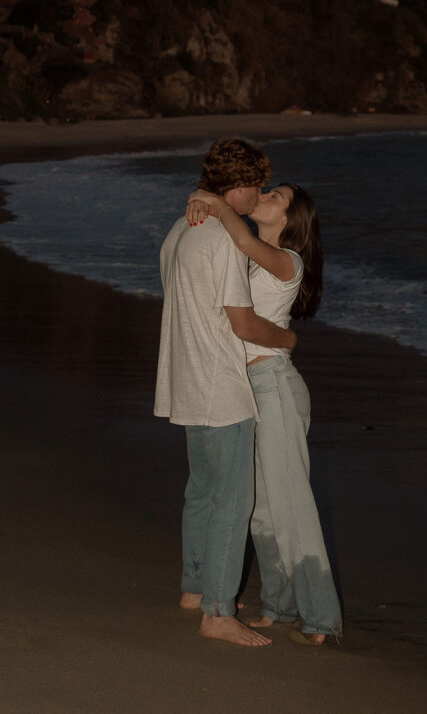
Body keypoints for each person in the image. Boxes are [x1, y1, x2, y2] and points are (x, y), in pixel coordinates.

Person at [154, 139, 297, 648]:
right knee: (232, 501)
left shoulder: (181, 229)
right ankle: (217, 612)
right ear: (240, 185)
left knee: (203, 491)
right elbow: (244, 324)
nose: (259, 193)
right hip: (220, 383)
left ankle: (195, 589)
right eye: (257, 184)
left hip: (186, 378)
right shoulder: (221, 240)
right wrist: (288, 338)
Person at [186, 181, 343, 645]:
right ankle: (278, 604)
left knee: (290, 504)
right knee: (261, 510)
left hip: (274, 385)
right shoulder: (251, 257)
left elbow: (242, 238)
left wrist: (212, 199)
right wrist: (202, 195)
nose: (266, 197)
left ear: (291, 221)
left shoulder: (287, 261)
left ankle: (320, 617)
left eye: (276, 197)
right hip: (247, 387)